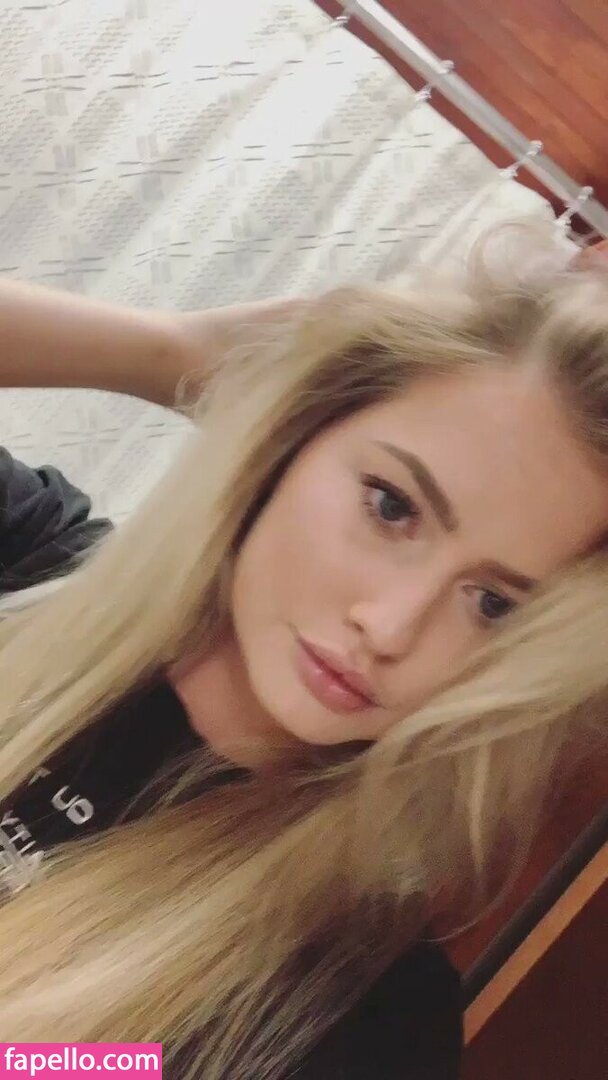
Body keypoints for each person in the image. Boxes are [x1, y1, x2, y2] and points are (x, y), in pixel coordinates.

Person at [0, 223, 607, 1079]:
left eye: (495, 605)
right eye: (392, 506)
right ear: (295, 437)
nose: (390, 628)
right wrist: (165, 353)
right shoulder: (30, 564)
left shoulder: (358, 1014)